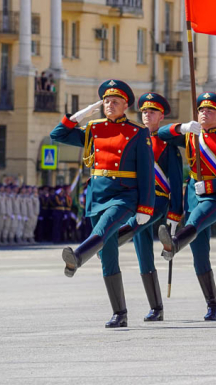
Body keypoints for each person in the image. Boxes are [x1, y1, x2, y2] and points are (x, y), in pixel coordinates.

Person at [51, 79, 156, 328]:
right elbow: (58, 134)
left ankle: (77, 256)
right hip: (98, 196)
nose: (110, 105)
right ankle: (119, 313)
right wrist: (80, 115)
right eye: (107, 101)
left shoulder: (137, 132)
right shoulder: (93, 128)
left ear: (125, 106)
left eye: (116, 102)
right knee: (108, 254)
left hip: (124, 195)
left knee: (106, 227)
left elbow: (147, 173)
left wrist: (145, 208)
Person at [157, 92, 216, 321]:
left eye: (210, 111)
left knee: (195, 221)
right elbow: (162, 133)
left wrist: (213, 185)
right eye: (201, 110)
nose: (204, 113)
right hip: (194, 197)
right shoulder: (190, 136)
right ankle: (213, 305)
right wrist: (183, 128)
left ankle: (174, 245)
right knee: (200, 255)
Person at [115, 93, 184, 322]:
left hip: (158, 201)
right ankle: (156, 308)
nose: (147, 115)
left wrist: (175, 213)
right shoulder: (135, 139)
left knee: (132, 226)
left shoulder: (167, 145)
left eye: (152, 112)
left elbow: (175, 180)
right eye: (144, 111)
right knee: (144, 257)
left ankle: (109, 241)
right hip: (138, 202)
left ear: (161, 116)